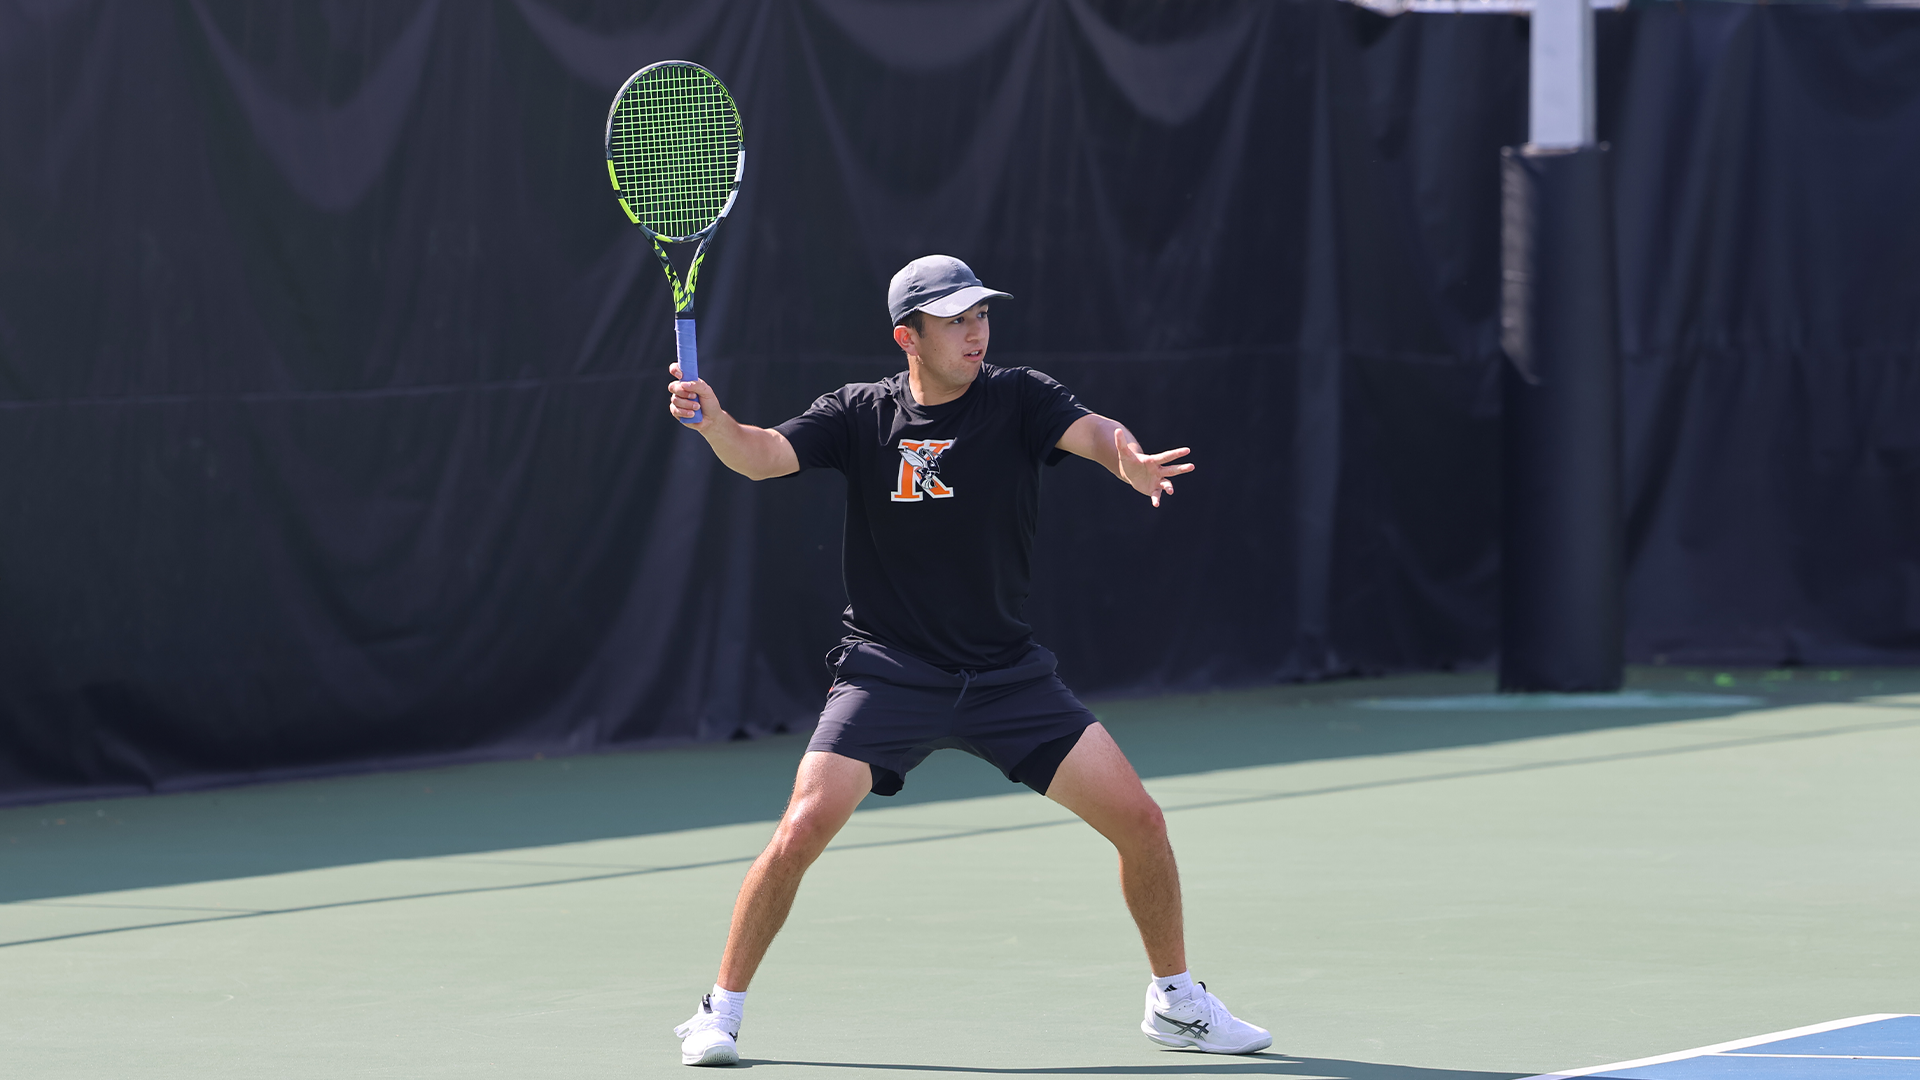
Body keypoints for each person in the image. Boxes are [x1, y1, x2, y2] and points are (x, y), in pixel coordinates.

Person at [664, 255, 1270, 1066]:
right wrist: (715, 422)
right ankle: (720, 1010)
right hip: (888, 671)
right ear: (906, 335)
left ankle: (1177, 1002)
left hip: (1005, 677)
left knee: (1142, 824)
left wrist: (1128, 458)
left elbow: (1094, 433)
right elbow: (765, 454)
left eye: (981, 314)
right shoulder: (859, 414)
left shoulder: (1020, 397)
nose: (975, 330)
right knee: (802, 827)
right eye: (954, 319)